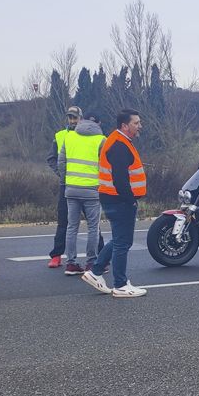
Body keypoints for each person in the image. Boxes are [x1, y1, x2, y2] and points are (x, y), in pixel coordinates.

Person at [82, 109, 147, 298]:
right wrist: (130, 200)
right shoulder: (119, 144)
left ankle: (95, 273)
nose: (139, 126)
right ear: (125, 126)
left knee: (119, 239)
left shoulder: (119, 141)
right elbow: (120, 179)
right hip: (119, 199)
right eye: (136, 123)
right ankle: (120, 285)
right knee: (123, 243)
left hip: (113, 197)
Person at [58, 112, 106, 276]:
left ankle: (70, 264)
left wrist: (65, 181)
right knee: (93, 228)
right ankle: (91, 263)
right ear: (98, 125)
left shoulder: (69, 137)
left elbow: (61, 162)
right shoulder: (101, 140)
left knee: (72, 227)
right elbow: (106, 165)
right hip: (92, 189)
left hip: (71, 189)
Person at [45, 106, 82, 268]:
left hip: (86, 184)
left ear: (81, 118)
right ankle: (56, 255)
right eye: (70, 118)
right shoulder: (60, 136)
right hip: (66, 185)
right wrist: (61, 174)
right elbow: (51, 159)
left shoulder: (89, 135)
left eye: (75, 117)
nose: (72, 121)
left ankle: (100, 255)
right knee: (63, 221)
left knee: (93, 223)